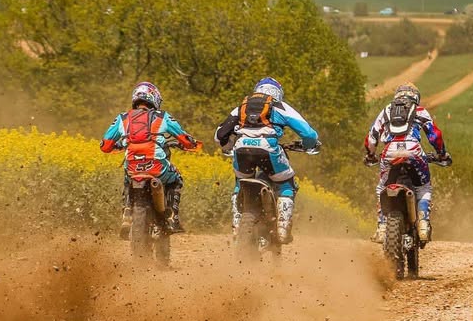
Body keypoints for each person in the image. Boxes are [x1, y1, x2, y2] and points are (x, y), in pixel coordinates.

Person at [214, 77, 320, 245]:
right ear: (278, 93)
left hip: (241, 149)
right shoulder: (279, 106)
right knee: (286, 183)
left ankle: (236, 224)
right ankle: (283, 228)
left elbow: (219, 134)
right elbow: (309, 134)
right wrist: (309, 146)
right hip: (268, 149)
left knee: (240, 183)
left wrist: (228, 147)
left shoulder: (242, 106)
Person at [100, 82, 200, 236]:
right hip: (157, 166)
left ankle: (127, 212)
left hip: (132, 166)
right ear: (154, 98)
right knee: (177, 179)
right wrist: (191, 143)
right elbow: (185, 139)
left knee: (127, 179)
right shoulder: (162, 116)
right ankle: (173, 217)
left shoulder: (122, 118)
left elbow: (105, 146)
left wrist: (120, 144)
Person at [364, 82, 450, 244]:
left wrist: (370, 156)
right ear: (416, 98)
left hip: (389, 152)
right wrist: (442, 154)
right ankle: (423, 223)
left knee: (382, 187)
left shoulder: (387, 110)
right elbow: (434, 136)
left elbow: (372, 137)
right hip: (414, 150)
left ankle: (382, 227)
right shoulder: (419, 110)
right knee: (423, 186)